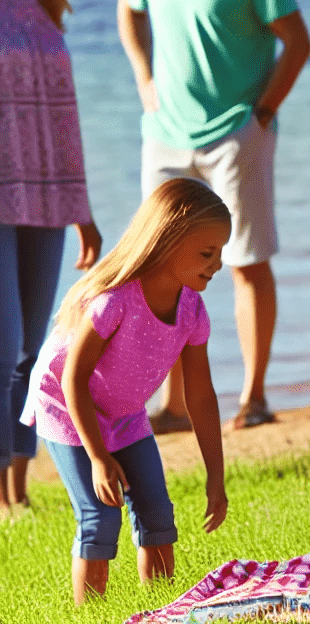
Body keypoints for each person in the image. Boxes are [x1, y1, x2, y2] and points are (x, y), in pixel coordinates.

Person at [117, 0, 310, 431]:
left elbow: (297, 42)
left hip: (235, 132)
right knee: (158, 266)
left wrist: (263, 114)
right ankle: (173, 405)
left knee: (247, 261)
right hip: (166, 135)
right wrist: (145, 79)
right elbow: (129, 12)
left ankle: (253, 398)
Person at [21, 178, 229, 604]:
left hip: (124, 412)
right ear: (168, 242)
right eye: (208, 253)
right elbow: (72, 379)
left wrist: (216, 475)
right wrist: (98, 458)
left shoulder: (192, 309)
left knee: (156, 512)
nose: (218, 263)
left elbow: (201, 397)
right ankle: (90, 614)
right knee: (100, 517)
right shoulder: (114, 301)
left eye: (221, 252)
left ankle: (162, 610)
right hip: (66, 405)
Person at [0, 0, 102, 518]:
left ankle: (18, 490)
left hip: (45, 200)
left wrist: (83, 212)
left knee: (34, 353)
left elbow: (63, 116)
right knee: (3, 345)